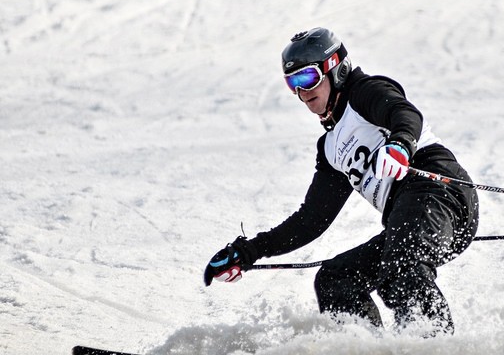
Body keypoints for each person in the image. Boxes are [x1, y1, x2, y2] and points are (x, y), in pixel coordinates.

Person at [203, 27, 478, 335]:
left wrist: (400, 145)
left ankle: (435, 353)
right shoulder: (332, 148)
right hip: (410, 220)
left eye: (307, 78)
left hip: (438, 192)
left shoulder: (363, 92)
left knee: (402, 269)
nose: (301, 92)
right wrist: (249, 251)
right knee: (336, 280)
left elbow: (404, 112)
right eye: (292, 83)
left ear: (336, 68)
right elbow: (311, 220)